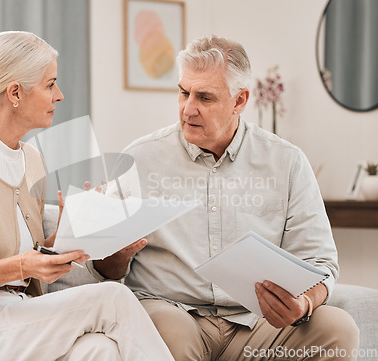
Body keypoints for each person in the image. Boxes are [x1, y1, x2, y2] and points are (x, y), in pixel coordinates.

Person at [0, 31, 175, 361]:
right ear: (15, 92)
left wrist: (64, 238)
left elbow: (25, 254)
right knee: (112, 299)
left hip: (15, 313)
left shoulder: (31, 160)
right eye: (50, 84)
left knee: (98, 350)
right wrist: (19, 266)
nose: (59, 95)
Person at [87, 35, 360, 361]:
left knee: (338, 328)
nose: (188, 108)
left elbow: (321, 263)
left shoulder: (287, 162)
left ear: (239, 101)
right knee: (166, 328)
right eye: (183, 92)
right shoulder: (138, 159)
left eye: (204, 97)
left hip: (259, 323)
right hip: (174, 312)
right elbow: (103, 268)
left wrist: (303, 303)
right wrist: (114, 254)